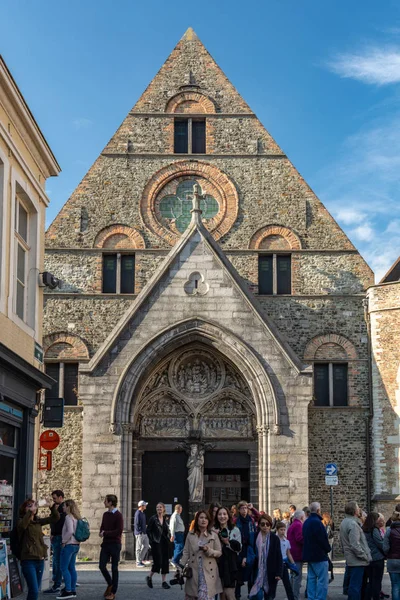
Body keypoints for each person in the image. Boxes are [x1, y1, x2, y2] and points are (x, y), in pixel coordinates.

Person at [17, 497, 60, 600]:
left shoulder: (37, 521)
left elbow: (55, 518)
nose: (32, 507)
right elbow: (23, 526)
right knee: (34, 590)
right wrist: (30, 513)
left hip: (39, 560)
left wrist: (52, 507)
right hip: (28, 560)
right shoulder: (20, 522)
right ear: (24, 509)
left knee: (35, 590)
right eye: (29, 506)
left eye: (33, 505)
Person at [180, 509, 223, 600]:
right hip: (194, 570)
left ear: (209, 521)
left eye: (206, 518)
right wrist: (180, 567)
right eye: (201, 518)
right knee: (192, 595)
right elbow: (186, 552)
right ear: (197, 519)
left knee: (204, 596)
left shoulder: (213, 535)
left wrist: (208, 550)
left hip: (208, 570)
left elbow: (219, 552)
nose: (204, 520)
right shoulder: (190, 534)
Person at [340, 500, 371, 600]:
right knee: (355, 587)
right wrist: (365, 556)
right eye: (358, 508)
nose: (359, 510)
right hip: (357, 561)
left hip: (352, 559)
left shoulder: (345, 522)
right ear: (354, 511)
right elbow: (355, 545)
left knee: (354, 586)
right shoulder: (353, 524)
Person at [248, 514, 283, 600]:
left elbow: (279, 556)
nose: (265, 526)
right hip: (256, 572)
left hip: (270, 572)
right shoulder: (254, 536)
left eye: (268, 524)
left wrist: (279, 573)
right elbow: (249, 551)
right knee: (257, 596)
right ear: (259, 525)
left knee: (269, 596)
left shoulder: (274, 538)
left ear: (271, 525)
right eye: (263, 524)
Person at [302, 502, 331, 600]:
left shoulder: (306, 522)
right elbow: (323, 539)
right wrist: (328, 549)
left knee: (311, 579)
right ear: (318, 510)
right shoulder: (317, 522)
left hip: (310, 555)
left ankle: (311, 597)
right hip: (319, 555)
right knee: (322, 581)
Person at [99, 494, 124, 600]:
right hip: (106, 544)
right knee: (101, 566)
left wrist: (105, 533)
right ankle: (110, 584)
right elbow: (102, 527)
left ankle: (113, 592)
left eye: (105, 501)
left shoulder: (118, 515)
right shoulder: (105, 514)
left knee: (114, 568)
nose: (104, 502)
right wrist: (101, 532)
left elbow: (118, 531)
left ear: (110, 503)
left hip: (115, 544)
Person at [214, 506, 242, 600]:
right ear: (216, 516)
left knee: (229, 593)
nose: (222, 516)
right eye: (220, 514)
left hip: (230, 565)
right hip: (217, 564)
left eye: (224, 514)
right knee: (222, 594)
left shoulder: (235, 529)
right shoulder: (213, 530)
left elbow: (239, 549)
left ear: (228, 516)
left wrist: (227, 543)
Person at [56, 500, 81, 600]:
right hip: (76, 545)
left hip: (69, 544)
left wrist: (63, 541)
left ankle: (68, 591)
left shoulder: (68, 517)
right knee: (71, 568)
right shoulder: (77, 517)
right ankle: (72, 589)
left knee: (64, 568)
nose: (63, 508)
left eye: (64, 506)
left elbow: (70, 531)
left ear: (68, 507)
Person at [44, 490, 66, 594]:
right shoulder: (57, 508)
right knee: (57, 560)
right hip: (56, 536)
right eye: (53, 498)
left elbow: (59, 522)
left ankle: (57, 584)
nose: (54, 500)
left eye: (55, 498)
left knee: (57, 561)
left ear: (61, 497)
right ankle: (57, 581)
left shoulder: (63, 508)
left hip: (59, 537)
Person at [235, 501, 257, 599]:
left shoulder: (251, 520)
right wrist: (243, 556)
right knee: (239, 576)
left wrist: (253, 508)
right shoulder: (236, 521)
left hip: (251, 549)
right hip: (240, 550)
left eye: (245, 508)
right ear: (239, 510)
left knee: (251, 576)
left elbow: (261, 518)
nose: (244, 510)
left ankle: (250, 595)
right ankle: (237, 596)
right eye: (242, 508)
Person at [146, 502, 171, 589]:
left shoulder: (165, 519)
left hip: (164, 543)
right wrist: (152, 540)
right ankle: (149, 577)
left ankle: (164, 582)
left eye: (160, 507)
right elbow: (148, 530)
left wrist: (169, 537)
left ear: (163, 509)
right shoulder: (153, 519)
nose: (159, 509)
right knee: (158, 562)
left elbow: (167, 530)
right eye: (157, 508)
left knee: (165, 562)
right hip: (156, 543)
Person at [362, 512, 385, 600]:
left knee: (371, 581)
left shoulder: (363, 529)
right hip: (377, 558)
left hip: (368, 558)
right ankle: (376, 597)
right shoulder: (374, 530)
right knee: (377, 581)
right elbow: (380, 543)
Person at [287, 509, 305, 600]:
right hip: (297, 555)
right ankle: (295, 596)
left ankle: (291, 596)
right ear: (302, 517)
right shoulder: (298, 525)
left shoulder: (293, 524)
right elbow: (300, 538)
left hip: (292, 554)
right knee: (297, 577)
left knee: (293, 576)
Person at [276, 521, 295, 600]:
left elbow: (288, 553)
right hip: (276, 564)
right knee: (273, 584)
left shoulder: (286, 541)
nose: (283, 531)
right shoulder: (274, 540)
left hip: (284, 564)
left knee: (287, 584)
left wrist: (293, 564)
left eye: (284, 530)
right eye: (281, 530)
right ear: (277, 530)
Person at [383, 510, 400, 600]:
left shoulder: (389, 531)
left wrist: (388, 554)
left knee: (395, 585)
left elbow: (385, 547)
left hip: (392, 560)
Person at [134, 500, 149, 568]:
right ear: (141, 506)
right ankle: (138, 562)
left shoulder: (143, 513)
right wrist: (139, 532)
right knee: (138, 548)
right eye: (145, 505)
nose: (146, 506)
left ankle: (140, 560)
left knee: (146, 546)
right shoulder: (138, 513)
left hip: (144, 533)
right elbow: (136, 524)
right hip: (140, 533)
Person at [170, 504, 185, 569]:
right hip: (177, 534)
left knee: (177, 547)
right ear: (178, 509)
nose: (181, 510)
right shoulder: (175, 516)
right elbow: (172, 526)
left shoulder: (178, 515)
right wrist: (172, 535)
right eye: (180, 509)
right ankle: (174, 560)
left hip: (180, 534)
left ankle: (176, 560)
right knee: (180, 547)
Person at [321, 512, 334, 582]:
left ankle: (328, 568)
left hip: (327, 540)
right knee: (329, 555)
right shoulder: (330, 523)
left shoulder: (323, 523)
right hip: (330, 540)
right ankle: (330, 569)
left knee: (327, 556)